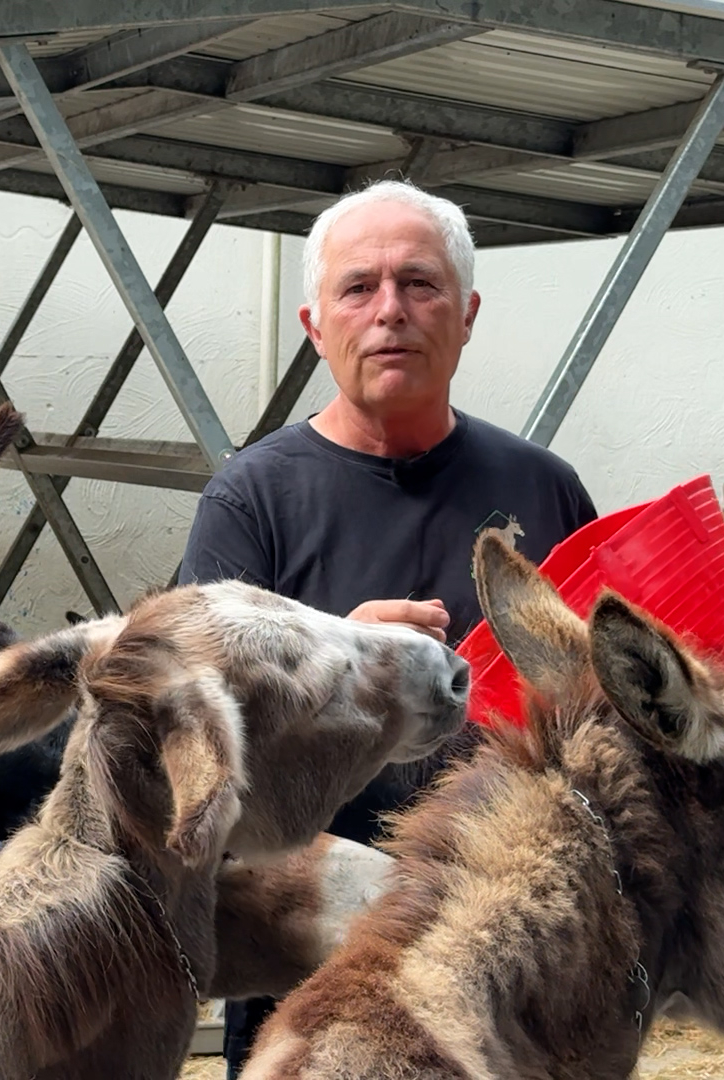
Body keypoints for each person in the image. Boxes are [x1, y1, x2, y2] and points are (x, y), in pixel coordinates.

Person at [174, 179, 598, 1073]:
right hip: (312, 951)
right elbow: (185, 739)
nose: (390, 311)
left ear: (468, 312)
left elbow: (599, 720)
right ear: (314, 323)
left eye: (420, 284)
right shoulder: (252, 500)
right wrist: (329, 652)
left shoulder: (545, 490)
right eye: (358, 288)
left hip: (509, 944)